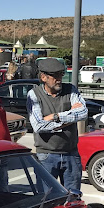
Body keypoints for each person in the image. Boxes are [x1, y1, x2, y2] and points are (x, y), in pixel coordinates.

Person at [26, 57, 88, 191]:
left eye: (61, 74)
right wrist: (70, 115)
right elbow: (39, 126)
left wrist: (56, 116)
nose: (59, 78)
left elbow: (83, 113)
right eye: (55, 75)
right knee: (46, 198)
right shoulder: (34, 94)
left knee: (73, 197)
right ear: (43, 77)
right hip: (46, 155)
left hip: (70, 153)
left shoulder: (70, 90)